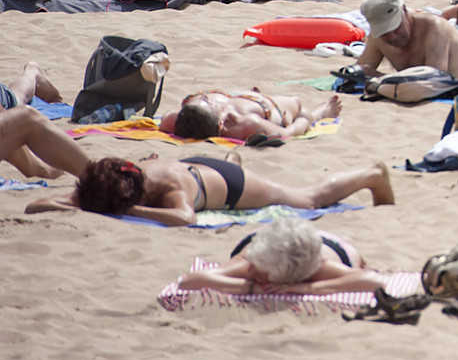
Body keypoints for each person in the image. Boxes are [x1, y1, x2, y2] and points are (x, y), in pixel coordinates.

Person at [5, 111, 396, 224]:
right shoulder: (117, 179)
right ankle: (232, 156)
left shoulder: (168, 190)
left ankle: (372, 174)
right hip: (199, 166)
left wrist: (129, 210)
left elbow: (185, 218)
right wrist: (79, 203)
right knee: (222, 165)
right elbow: (37, 206)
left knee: (310, 198)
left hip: (225, 184)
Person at [177, 217, 383, 295]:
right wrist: (251, 287)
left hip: (329, 246)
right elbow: (189, 281)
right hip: (275, 238)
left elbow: (375, 280)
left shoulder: (320, 268)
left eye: (261, 274)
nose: (252, 272)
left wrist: (302, 288)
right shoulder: (250, 263)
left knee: (360, 262)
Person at [355, 0, 458, 83]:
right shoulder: (377, 36)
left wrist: (381, 77)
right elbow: (360, 70)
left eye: (396, 28)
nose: (392, 36)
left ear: (405, 11)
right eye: (384, 33)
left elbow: (435, 79)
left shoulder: (434, 28)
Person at [160, 89, 345, 143]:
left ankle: (318, 113)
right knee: (297, 108)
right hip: (259, 103)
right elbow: (287, 134)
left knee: (299, 110)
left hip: (256, 101)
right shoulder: (244, 123)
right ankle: (319, 113)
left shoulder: (180, 120)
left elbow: (288, 132)